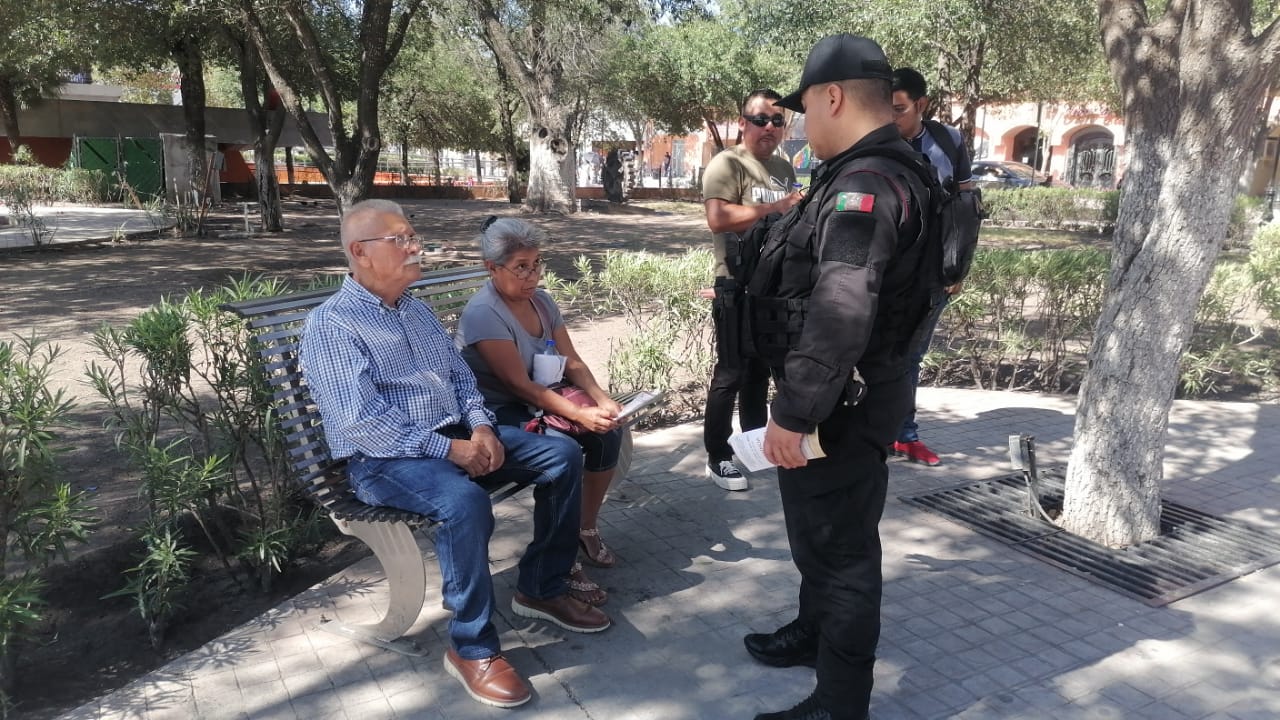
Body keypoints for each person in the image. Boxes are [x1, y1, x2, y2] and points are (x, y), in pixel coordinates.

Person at [298, 200, 610, 710]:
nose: (415, 247)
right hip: (384, 460)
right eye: (400, 240)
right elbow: (362, 424)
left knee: (561, 455)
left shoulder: (415, 309)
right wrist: (451, 448)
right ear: (360, 252)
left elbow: (462, 380)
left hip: (454, 436)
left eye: (413, 236)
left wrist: (483, 428)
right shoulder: (333, 325)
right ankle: (472, 647)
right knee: (464, 503)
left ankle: (541, 586)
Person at [746, 35, 937, 720]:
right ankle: (813, 633)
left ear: (832, 97)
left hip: (839, 405)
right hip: (851, 394)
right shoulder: (882, 169)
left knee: (843, 552)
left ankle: (840, 702)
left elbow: (841, 309)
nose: (798, 124)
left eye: (801, 110)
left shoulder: (866, 184)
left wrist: (794, 414)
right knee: (819, 535)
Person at [456, 216, 624, 608]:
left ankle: (583, 528)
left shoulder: (542, 301)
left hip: (538, 399)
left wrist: (602, 400)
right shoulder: (484, 313)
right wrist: (578, 415)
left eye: (536, 264)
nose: (532, 275)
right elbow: (518, 385)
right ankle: (560, 563)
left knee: (609, 430)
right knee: (562, 449)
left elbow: (572, 361)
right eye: (521, 267)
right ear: (492, 268)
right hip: (496, 412)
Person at [701, 88, 804, 491]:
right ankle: (718, 456)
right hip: (735, 284)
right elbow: (718, 218)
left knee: (760, 371)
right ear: (743, 122)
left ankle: (754, 448)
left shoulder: (783, 167)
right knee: (731, 373)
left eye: (778, 120)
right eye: (761, 119)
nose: (769, 127)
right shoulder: (728, 163)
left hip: (772, 288)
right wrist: (775, 208)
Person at [888, 67, 976, 467]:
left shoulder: (948, 141)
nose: (891, 118)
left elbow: (966, 207)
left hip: (933, 274)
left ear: (921, 104)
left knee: (912, 356)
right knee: (874, 352)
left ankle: (904, 436)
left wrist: (958, 268)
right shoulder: (877, 141)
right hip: (884, 271)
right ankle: (871, 431)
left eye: (899, 109)